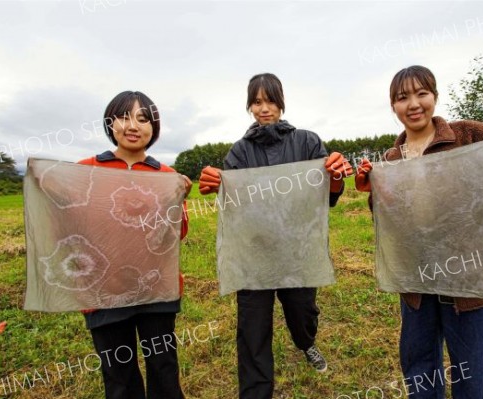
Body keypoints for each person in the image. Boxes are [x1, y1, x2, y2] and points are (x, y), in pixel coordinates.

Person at [355, 65, 483, 399]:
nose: (414, 104)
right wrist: (377, 197)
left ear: (434, 96)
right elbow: (390, 223)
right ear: (393, 106)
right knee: (420, 368)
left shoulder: (470, 137)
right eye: (403, 98)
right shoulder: (391, 158)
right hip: (418, 283)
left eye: (422, 93)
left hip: (475, 281)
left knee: (482, 373)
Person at [198, 73, 353, 399]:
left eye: (270, 100)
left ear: (281, 102)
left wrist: (335, 176)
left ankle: (306, 342)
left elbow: (327, 196)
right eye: (256, 101)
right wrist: (216, 186)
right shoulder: (239, 152)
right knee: (252, 330)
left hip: (298, 252)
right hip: (254, 254)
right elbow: (233, 204)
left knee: (303, 315)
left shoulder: (307, 142)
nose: (263, 108)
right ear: (249, 106)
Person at [79, 91, 192, 399]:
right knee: (119, 375)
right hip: (104, 290)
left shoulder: (165, 175)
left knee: (164, 368)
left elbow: (176, 233)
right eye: (124, 116)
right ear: (110, 122)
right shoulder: (85, 170)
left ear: (153, 127)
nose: (133, 125)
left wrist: (177, 198)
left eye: (143, 119)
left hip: (156, 286)